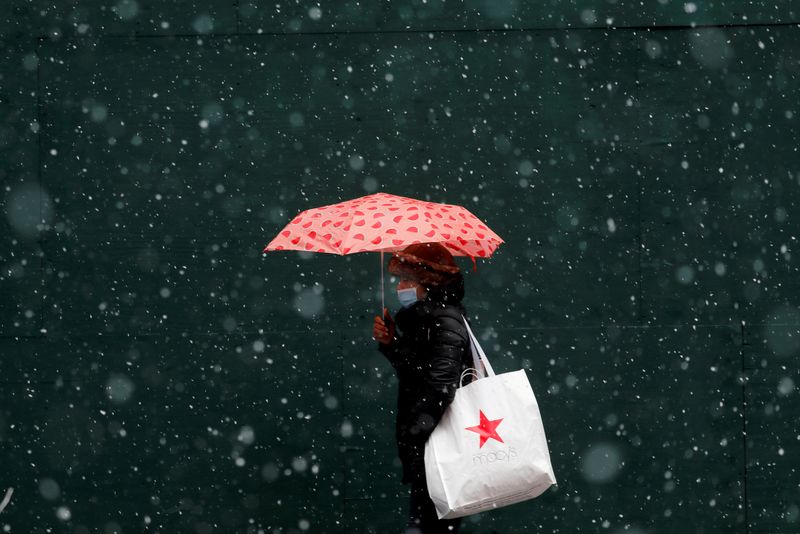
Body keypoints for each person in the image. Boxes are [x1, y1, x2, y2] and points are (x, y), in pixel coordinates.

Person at [373, 243, 473, 533]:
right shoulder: (426, 321)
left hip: (439, 446)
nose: (400, 287)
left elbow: (441, 384)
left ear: (428, 284)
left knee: (428, 525)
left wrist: (416, 431)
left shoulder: (445, 321)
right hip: (431, 449)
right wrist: (392, 343)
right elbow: (417, 373)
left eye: (408, 280)